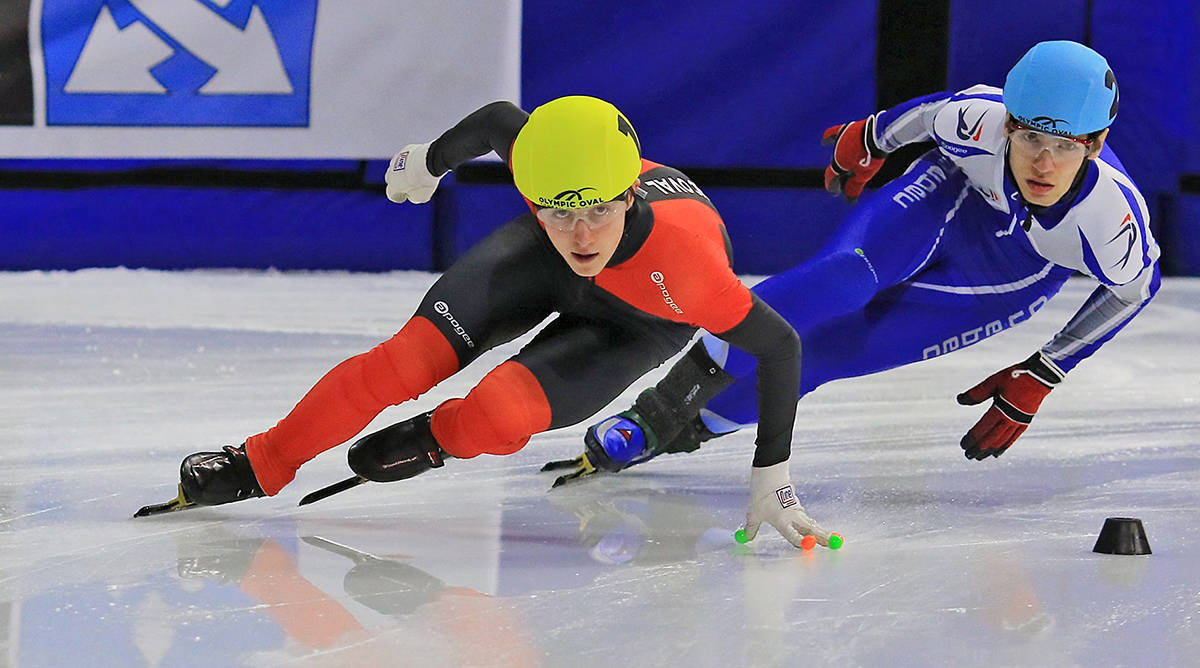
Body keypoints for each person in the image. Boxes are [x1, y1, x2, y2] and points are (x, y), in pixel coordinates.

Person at [145, 95, 835, 549]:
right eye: (559, 210)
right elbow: (499, 120)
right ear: (534, 195)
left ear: (629, 194)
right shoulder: (544, 176)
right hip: (535, 264)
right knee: (401, 364)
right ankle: (262, 461)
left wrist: (769, 471)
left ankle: (444, 435)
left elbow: (779, 346)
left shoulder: (688, 266)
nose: (582, 232)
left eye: (597, 209)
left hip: (641, 317)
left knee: (498, 415)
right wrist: (428, 163)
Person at [576, 41, 1160, 473]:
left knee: (829, 354)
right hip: (947, 198)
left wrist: (1045, 369)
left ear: (1097, 144)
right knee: (844, 278)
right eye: (1031, 137)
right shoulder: (980, 121)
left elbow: (1134, 288)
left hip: (1009, 275)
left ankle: (686, 431)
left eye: (1065, 147)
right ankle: (659, 409)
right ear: (1008, 122)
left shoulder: (1111, 220)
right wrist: (870, 138)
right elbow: (933, 115)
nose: (1044, 164)